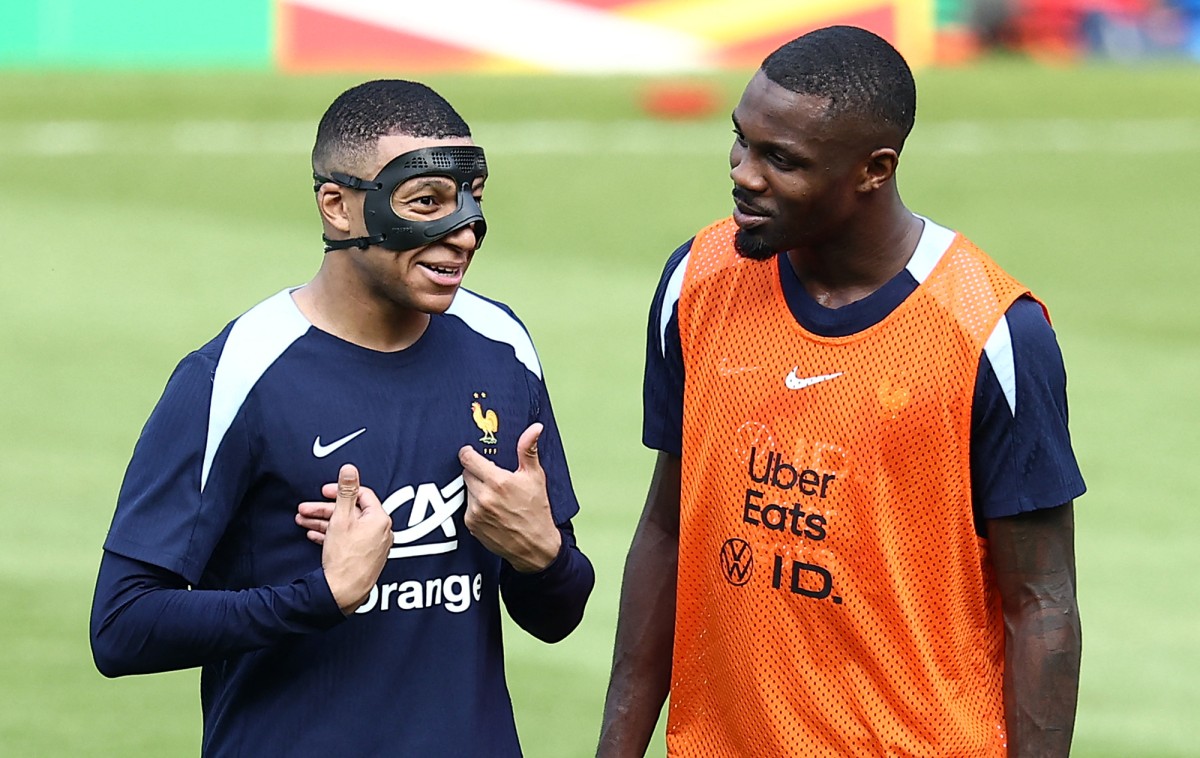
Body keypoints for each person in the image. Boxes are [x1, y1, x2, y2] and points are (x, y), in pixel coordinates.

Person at [598, 25, 1084, 757]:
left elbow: (1041, 603)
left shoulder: (993, 335)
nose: (744, 174)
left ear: (873, 169)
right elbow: (667, 529)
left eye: (782, 160)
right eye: (742, 141)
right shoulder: (697, 281)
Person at [90, 79, 594, 757]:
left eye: (473, 200)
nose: (465, 231)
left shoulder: (501, 348)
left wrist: (544, 559)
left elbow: (558, 615)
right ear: (339, 207)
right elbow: (122, 627)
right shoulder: (236, 375)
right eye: (427, 203)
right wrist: (321, 595)